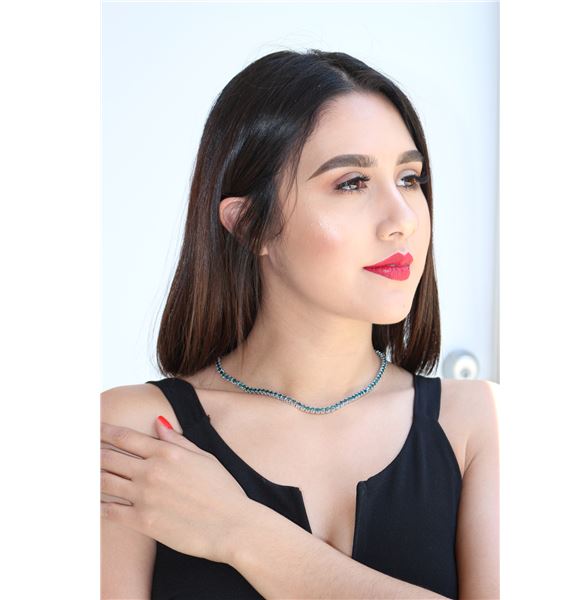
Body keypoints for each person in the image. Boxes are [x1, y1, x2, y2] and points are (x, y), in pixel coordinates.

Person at [101, 49, 500, 600]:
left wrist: (241, 531)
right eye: (352, 183)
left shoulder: (475, 423)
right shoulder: (137, 433)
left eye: (409, 179)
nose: (403, 220)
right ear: (250, 224)